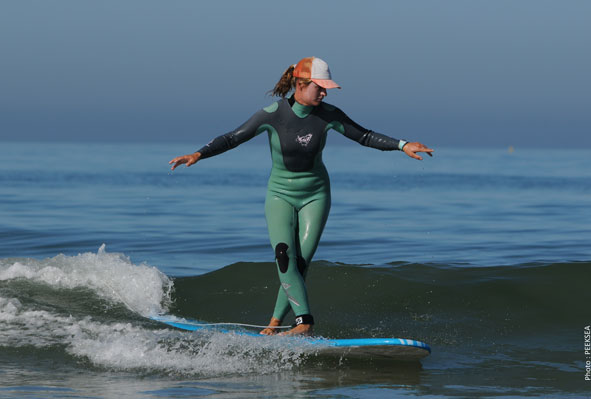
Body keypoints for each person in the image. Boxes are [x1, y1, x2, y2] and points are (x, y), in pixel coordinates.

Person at [169, 57, 433, 336]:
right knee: (284, 256)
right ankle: (298, 323)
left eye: (325, 88)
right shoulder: (272, 114)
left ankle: (281, 323)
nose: (324, 93)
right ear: (299, 84)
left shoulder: (329, 114)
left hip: (316, 195)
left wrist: (402, 145)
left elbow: (364, 136)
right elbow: (234, 137)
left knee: (300, 264)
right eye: (319, 87)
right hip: (280, 194)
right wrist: (198, 154)